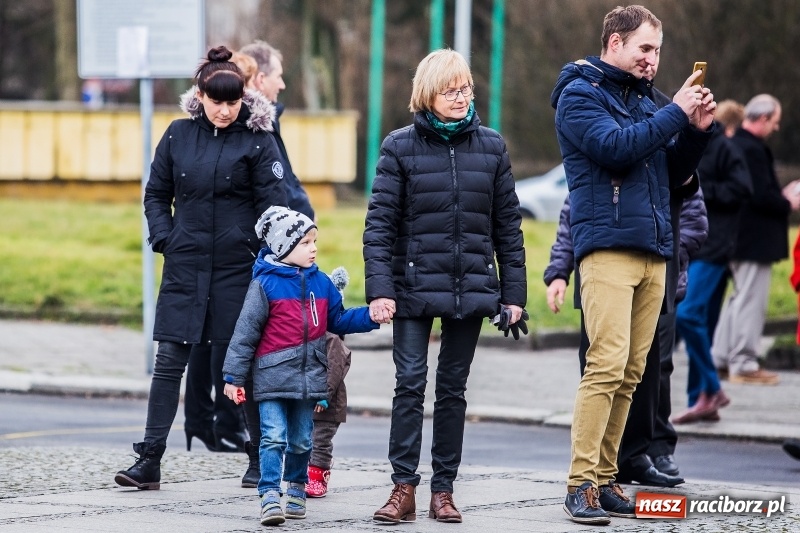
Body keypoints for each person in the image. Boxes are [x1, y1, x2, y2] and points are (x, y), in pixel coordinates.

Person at [550, 5, 715, 525]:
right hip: (607, 249)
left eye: (658, 51)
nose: (652, 60)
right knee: (605, 365)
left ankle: (605, 479)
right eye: (644, 48)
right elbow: (615, 149)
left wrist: (696, 131)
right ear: (614, 43)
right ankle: (580, 485)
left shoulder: (647, 103)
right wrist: (674, 113)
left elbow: (671, 175)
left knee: (632, 372)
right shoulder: (579, 93)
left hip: (654, 250)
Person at [363, 48, 527, 525]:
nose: (460, 97)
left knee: (452, 390)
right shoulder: (399, 146)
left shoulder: (492, 147)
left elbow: (508, 228)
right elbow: (379, 227)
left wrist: (513, 295)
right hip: (411, 287)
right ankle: (402, 488)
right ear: (427, 94)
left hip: (470, 287)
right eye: (450, 89)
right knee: (409, 384)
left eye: (466, 88)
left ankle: (444, 490)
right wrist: (380, 289)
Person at [113, 45, 287, 490]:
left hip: (237, 269)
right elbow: (156, 194)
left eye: (233, 102)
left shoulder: (258, 140)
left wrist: (262, 256)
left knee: (242, 364)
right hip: (185, 266)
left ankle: (258, 458)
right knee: (169, 361)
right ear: (201, 95)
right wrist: (164, 238)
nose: (225, 111)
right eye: (217, 101)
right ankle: (148, 461)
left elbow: (276, 208)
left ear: (243, 98)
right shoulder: (176, 135)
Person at [221, 206, 380, 526]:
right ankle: (268, 495)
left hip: (307, 381)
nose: (314, 248)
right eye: (306, 243)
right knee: (274, 438)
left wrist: (370, 316)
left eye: (314, 241)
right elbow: (244, 334)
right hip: (271, 378)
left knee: (301, 441)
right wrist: (233, 377)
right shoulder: (264, 286)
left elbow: (338, 320)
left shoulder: (321, 284)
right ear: (283, 247)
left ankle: (295, 489)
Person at [672, 100, 753, 424]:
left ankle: (712, 388)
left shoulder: (724, 148)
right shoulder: (689, 144)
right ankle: (701, 400)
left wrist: (700, 188)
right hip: (694, 246)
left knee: (688, 315)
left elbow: (742, 189)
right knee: (699, 324)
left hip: (714, 247)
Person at [711, 94, 800, 385]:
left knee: (737, 299)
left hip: (735, 237)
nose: (775, 128)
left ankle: (720, 358)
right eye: (774, 122)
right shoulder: (752, 149)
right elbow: (760, 195)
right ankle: (744, 362)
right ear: (761, 119)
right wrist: (787, 201)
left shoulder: (731, 144)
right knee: (750, 300)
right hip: (755, 239)